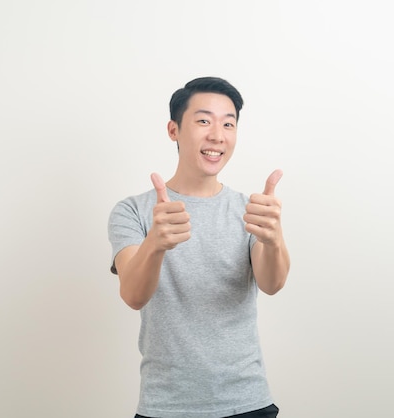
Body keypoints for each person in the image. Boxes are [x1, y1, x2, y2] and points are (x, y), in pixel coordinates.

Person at [108, 76, 290, 418]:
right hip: (165, 405)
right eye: (203, 120)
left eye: (228, 123)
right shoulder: (132, 211)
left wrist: (273, 238)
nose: (217, 135)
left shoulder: (249, 209)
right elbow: (133, 295)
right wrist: (156, 244)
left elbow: (272, 283)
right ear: (173, 130)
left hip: (247, 401)